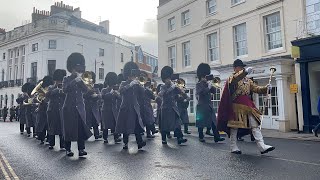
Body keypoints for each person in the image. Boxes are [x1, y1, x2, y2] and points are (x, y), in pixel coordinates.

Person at [217, 59, 275, 154]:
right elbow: (236, 78)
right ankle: (233, 147)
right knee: (234, 127)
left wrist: (266, 88)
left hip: (248, 106)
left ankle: (262, 146)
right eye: (240, 67)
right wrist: (245, 72)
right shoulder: (232, 78)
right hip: (236, 106)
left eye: (243, 67)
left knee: (255, 125)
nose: (242, 69)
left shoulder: (248, 80)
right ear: (235, 68)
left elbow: (256, 89)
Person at [62, 53, 93, 157]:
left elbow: (86, 91)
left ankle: (81, 149)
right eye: (75, 68)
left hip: (80, 107)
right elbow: (64, 90)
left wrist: (82, 82)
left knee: (81, 128)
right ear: (71, 68)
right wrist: (74, 81)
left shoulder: (81, 80)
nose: (77, 70)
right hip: (69, 107)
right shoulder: (66, 79)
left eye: (78, 69)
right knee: (69, 128)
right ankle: (68, 149)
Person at [115, 61, 146, 150]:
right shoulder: (123, 83)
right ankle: (125, 143)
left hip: (134, 107)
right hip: (126, 107)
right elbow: (121, 91)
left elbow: (142, 93)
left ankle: (139, 143)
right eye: (132, 75)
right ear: (128, 75)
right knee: (126, 127)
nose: (133, 77)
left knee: (137, 126)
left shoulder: (136, 83)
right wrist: (130, 84)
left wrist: (141, 86)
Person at [195, 63, 225, 143]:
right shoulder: (198, 84)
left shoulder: (208, 84)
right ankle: (201, 136)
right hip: (201, 106)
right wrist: (208, 87)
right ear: (202, 76)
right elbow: (200, 93)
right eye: (205, 76)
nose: (206, 78)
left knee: (214, 122)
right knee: (201, 123)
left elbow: (214, 92)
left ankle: (217, 137)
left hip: (209, 106)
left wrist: (212, 85)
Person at [158, 66, 187, 145]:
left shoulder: (174, 87)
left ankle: (179, 138)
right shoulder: (162, 87)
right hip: (165, 109)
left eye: (169, 78)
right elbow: (161, 94)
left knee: (177, 124)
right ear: (164, 79)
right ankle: (164, 139)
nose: (168, 80)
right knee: (164, 126)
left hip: (173, 108)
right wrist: (171, 87)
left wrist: (185, 95)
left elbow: (181, 93)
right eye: (167, 78)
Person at [46, 69, 66, 150]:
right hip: (52, 109)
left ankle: (62, 144)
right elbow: (48, 95)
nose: (59, 82)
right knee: (52, 127)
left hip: (61, 109)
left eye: (61, 80)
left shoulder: (64, 87)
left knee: (62, 127)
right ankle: (51, 143)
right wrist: (56, 88)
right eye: (58, 80)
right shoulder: (51, 87)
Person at [101, 72, 121, 144]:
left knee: (115, 123)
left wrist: (117, 94)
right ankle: (105, 138)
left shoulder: (116, 90)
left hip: (114, 109)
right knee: (105, 125)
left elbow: (120, 99)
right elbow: (103, 97)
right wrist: (111, 92)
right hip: (106, 109)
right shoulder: (104, 90)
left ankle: (116, 137)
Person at [83, 71, 102, 140]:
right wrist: (89, 93)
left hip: (94, 106)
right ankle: (85, 135)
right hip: (87, 106)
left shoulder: (96, 86)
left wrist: (96, 95)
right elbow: (83, 95)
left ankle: (96, 134)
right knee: (87, 121)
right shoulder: (84, 86)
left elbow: (100, 95)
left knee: (95, 121)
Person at [35, 76, 54, 145]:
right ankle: (43, 138)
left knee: (47, 124)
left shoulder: (50, 88)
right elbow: (39, 98)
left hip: (48, 107)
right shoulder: (42, 90)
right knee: (43, 124)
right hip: (43, 107)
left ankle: (46, 138)